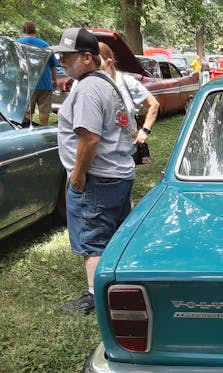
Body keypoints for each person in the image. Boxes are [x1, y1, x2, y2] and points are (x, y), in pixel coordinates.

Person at [53, 28, 137, 314]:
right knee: (115, 235)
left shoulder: (89, 88)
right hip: (118, 173)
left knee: (94, 240)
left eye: (67, 57)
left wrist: (77, 174)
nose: (62, 62)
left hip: (98, 177)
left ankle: (94, 297)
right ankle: (117, 283)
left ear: (87, 57)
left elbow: (89, 137)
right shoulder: (109, 84)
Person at [98, 42, 159, 149]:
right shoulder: (81, 83)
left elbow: (153, 104)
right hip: (97, 153)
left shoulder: (125, 81)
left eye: (97, 60)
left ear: (108, 63)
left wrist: (145, 131)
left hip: (125, 151)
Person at [16, 21, 58, 125]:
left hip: (26, 83)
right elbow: (53, 65)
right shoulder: (45, 45)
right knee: (44, 110)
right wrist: (54, 80)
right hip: (45, 83)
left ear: (22, 31)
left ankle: (26, 129)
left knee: (26, 110)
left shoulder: (17, 43)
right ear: (35, 31)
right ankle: (43, 130)